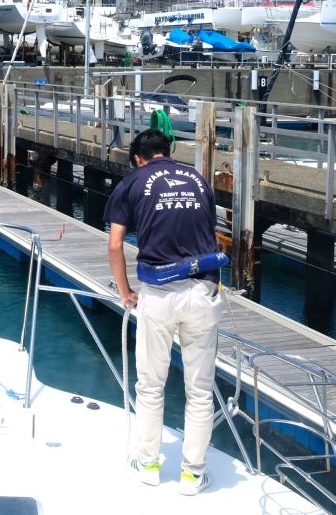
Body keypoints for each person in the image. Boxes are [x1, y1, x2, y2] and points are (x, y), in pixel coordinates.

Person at [105, 128, 222, 496]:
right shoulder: (198, 180)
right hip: (203, 289)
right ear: (168, 152)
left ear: (138, 158)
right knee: (200, 391)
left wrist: (125, 292)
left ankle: (149, 464)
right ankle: (193, 474)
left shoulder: (133, 182)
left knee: (152, 386)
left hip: (157, 292)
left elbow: (115, 245)